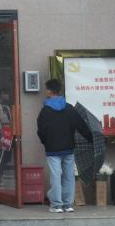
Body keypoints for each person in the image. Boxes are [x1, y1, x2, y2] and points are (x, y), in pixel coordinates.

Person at [37, 78, 90, 214]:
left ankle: (56, 205)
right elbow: (81, 126)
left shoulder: (45, 111)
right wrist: (91, 138)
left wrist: (46, 142)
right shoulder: (69, 108)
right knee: (69, 176)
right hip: (68, 148)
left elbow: (41, 131)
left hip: (52, 149)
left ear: (49, 91)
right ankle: (68, 204)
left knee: (55, 177)